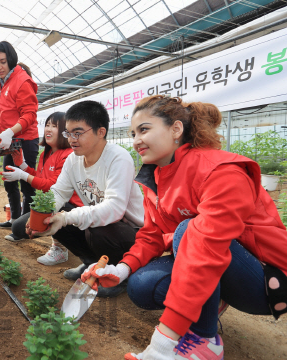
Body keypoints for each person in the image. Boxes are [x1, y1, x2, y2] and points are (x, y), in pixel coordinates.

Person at [80, 95, 287, 360]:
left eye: (144, 129)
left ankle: (204, 340)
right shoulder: (156, 176)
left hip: (265, 280)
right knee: (142, 285)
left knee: (189, 230)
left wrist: (163, 342)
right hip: (219, 263)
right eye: (133, 133)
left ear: (176, 129)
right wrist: (121, 270)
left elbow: (206, 249)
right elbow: (151, 235)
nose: (136, 140)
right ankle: (211, 300)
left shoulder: (221, 171)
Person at [27, 100, 144, 297]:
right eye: (69, 133)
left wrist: (65, 217)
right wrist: (43, 216)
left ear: (101, 131)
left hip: (131, 232)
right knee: (61, 217)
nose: (72, 139)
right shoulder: (74, 159)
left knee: (97, 228)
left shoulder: (118, 158)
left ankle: (120, 274)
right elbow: (58, 193)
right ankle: (92, 264)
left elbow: (114, 209)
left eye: (78, 133)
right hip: (101, 225)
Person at [0, 112, 83, 266]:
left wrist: (22, 176)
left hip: (69, 206)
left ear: (65, 132)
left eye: (54, 126)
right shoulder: (47, 153)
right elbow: (40, 178)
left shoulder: (68, 155)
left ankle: (60, 248)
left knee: (52, 210)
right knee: (19, 228)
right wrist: (23, 164)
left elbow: (52, 186)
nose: (48, 130)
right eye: (47, 125)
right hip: (53, 203)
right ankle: (63, 239)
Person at [0, 41, 39, 229]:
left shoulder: (22, 81)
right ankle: (15, 219)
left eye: (3, 62)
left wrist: (10, 131)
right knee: (9, 180)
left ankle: (25, 226)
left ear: (11, 60)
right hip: (9, 140)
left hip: (25, 139)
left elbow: (30, 115)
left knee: (25, 182)